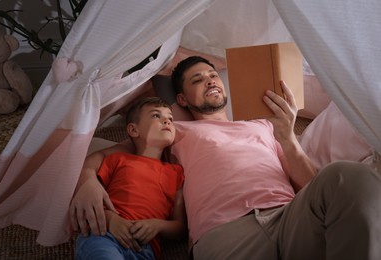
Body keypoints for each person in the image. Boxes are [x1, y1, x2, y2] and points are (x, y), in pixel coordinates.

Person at [70, 56, 381, 259]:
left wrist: (287, 137)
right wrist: (86, 180)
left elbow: (311, 185)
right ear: (181, 99)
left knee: (349, 176)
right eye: (197, 80)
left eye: (212, 75)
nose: (210, 80)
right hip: (226, 235)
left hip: (288, 218)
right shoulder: (175, 130)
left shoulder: (264, 125)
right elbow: (112, 153)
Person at [74, 97, 186, 260]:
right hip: (105, 235)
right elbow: (91, 200)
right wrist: (112, 220)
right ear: (133, 130)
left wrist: (159, 225)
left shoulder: (176, 172)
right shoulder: (118, 159)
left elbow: (180, 227)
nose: (167, 121)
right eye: (156, 115)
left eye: (170, 118)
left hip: (145, 250)